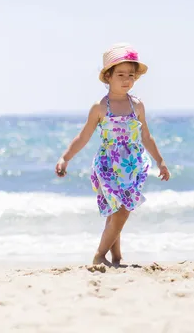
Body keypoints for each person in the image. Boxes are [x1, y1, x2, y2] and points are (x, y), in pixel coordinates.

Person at [55, 43, 170, 266]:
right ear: (108, 76)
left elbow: (146, 136)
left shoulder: (136, 105)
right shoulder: (100, 107)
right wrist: (65, 157)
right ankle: (99, 255)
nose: (127, 79)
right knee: (121, 210)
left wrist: (160, 161)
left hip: (133, 165)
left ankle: (116, 257)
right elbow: (84, 136)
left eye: (131, 75)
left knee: (117, 211)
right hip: (108, 165)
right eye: (120, 74)